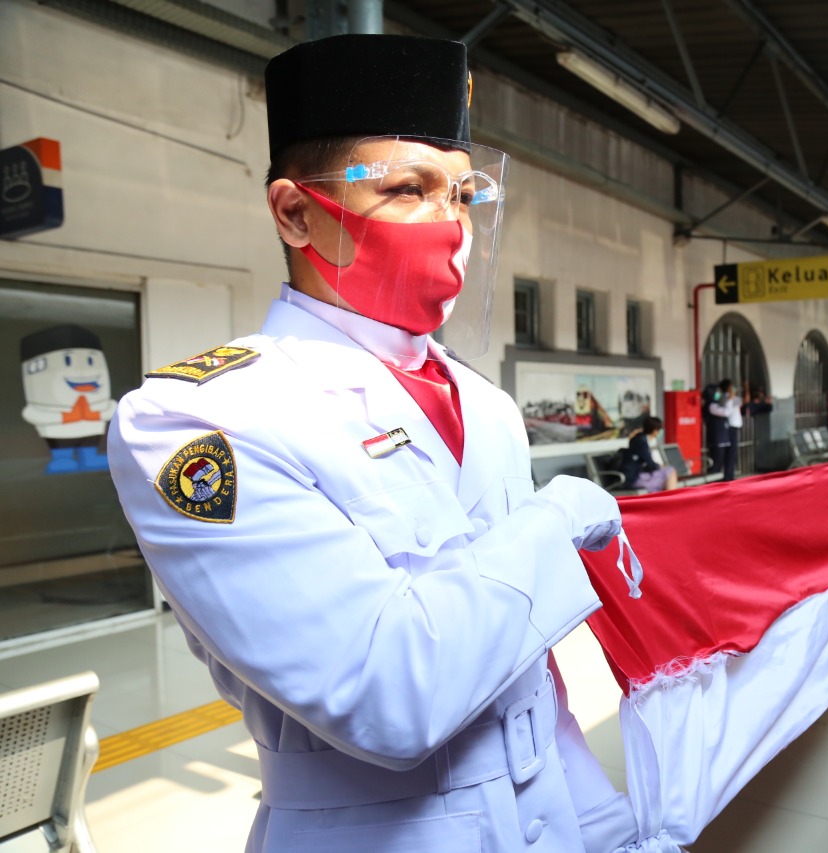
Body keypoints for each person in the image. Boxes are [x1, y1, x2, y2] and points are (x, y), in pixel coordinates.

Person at [107, 35, 649, 853]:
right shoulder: (204, 420)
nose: (450, 226)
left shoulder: (485, 405)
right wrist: (555, 520)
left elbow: (532, 687)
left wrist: (609, 828)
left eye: (463, 195)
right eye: (407, 189)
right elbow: (390, 694)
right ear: (295, 212)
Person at [621, 416, 678, 493]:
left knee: (668, 474)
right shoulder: (640, 442)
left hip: (636, 475)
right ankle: (671, 501)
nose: (660, 432)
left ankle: (669, 500)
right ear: (654, 430)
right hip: (634, 478)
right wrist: (660, 466)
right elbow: (650, 464)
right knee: (670, 471)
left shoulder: (640, 439)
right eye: (659, 429)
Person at [708, 378, 743, 481]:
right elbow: (728, 409)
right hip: (728, 427)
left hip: (731, 427)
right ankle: (724, 476)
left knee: (731, 454)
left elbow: (739, 402)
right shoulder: (723, 398)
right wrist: (731, 398)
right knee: (725, 454)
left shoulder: (729, 398)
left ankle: (729, 475)